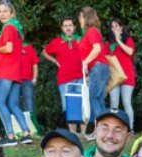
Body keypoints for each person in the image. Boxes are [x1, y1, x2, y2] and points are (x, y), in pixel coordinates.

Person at [0, 0, 33, 147]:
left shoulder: (8, 27)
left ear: (11, 13)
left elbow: (8, 48)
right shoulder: (16, 28)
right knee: (13, 104)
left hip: (6, 70)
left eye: (5, 11)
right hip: (16, 72)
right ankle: (26, 133)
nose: (2, 14)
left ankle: (10, 136)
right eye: (0, 11)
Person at [42, 16, 85, 135]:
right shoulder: (57, 41)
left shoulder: (80, 39)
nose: (68, 28)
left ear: (74, 27)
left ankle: (83, 133)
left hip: (80, 76)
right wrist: (55, 61)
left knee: (82, 104)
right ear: (62, 28)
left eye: (70, 25)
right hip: (64, 79)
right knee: (69, 106)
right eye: (65, 26)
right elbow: (44, 52)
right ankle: (73, 133)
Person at [79, 6, 110, 137]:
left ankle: (100, 130)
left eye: (80, 17)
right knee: (99, 99)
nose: (79, 20)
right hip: (98, 68)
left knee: (93, 97)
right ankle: (105, 130)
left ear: (86, 17)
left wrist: (85, 62)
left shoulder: (92, 31)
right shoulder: (91, 32)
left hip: (98, 67)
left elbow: (97, 49)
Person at [107, 18, 136, 131]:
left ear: (121, 28)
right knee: (114, 103)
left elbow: (130, 52)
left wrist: (118, 41)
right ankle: (113, 128)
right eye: (112, 27)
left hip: (128, 77)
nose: (114, 29)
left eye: (117, 26)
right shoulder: (108, 44)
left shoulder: (128, 40)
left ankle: (130, 128)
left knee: (126, 102)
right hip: (114, 77)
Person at [20, 38, 40, 134]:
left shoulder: (29, 48)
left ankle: (32, 130)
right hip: (13, 80)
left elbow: (35, 64)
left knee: (29, 106)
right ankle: (18, 131)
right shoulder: (11, 47)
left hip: (27, 80)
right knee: (13, 105)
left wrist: (34, 78)